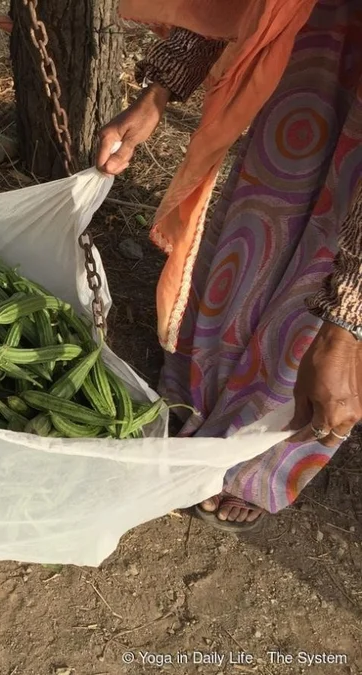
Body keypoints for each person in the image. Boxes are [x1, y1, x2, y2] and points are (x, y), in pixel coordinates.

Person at [96, 0, 361, 530]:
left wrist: (348, 321)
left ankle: (264, 452)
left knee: (327, 281)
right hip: (323, 33)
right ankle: (197, 395)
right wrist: (159, 90)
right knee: (260, 217)